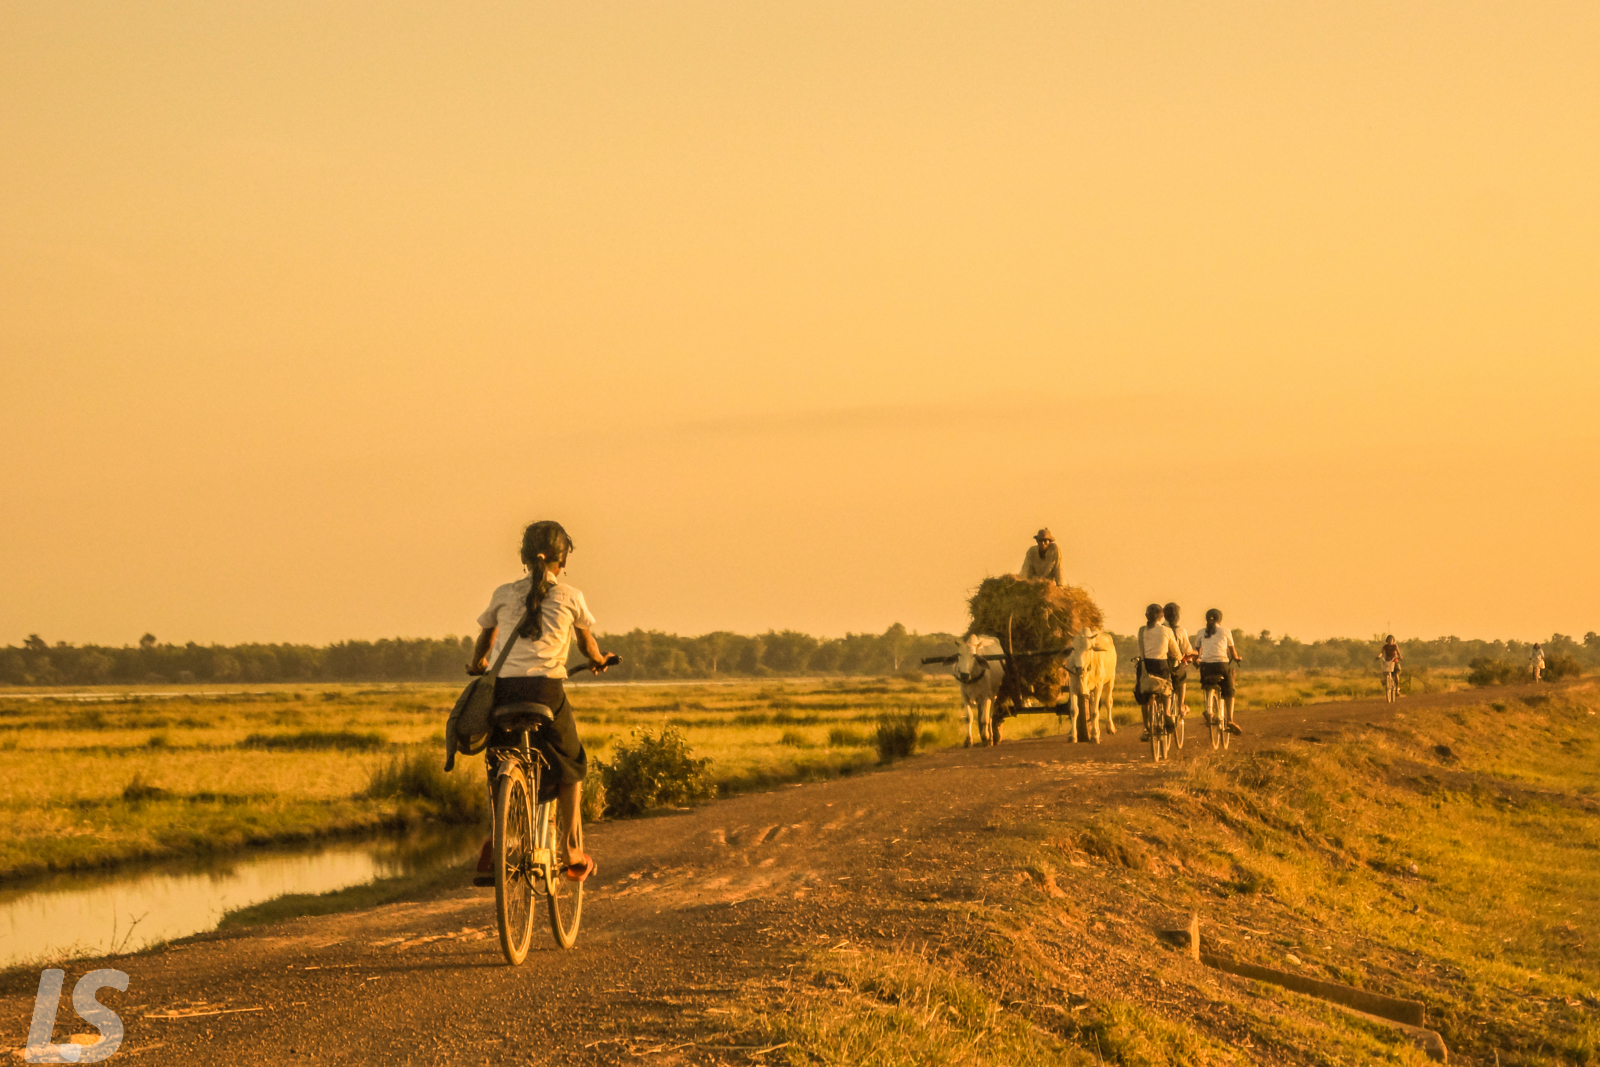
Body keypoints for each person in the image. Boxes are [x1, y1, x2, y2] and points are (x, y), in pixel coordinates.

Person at [468, 521, 611, 883]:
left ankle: (493, 837)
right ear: (562, 561)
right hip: (547, 692)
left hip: (504, 691)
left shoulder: (502, 593)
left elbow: (486, 641)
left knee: (497, 757)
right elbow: (587, 646)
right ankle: (570, 847)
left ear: (524, 557)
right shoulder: (570, 597)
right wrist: (597, 660)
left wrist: (477, 665)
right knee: (572, 764)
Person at [1136, 603, 1185, 740]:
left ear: (1147, 616)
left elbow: (1141, 649)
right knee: (1167, 687)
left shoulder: (1141, 631)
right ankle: (1167, 712)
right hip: (1161, 665)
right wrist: (1179, 657)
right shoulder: (1166, 631)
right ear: (1162, 616)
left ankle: (1146, 728)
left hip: (1145, 666)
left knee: (1143, 694)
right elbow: (1176, 652)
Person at [1196, 608, 1242, 734]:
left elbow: (1197, 651)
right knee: (1229, 690)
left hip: (1206, 666)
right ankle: (1230, 720)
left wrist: (1197, 660)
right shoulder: (1225, 631)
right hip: (1221, 665)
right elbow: (1232, 652)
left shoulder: (1200, 632)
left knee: (1206, 685)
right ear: (1220, 619)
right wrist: (1237, 658)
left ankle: (1208, 710)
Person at [1163, 603, 1195, 720]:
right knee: (1182, 679)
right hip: (1174, 666)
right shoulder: (1180, 630)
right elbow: (1187, 650)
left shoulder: (1160, 629)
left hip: (1159, 665)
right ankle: (1181, 705)